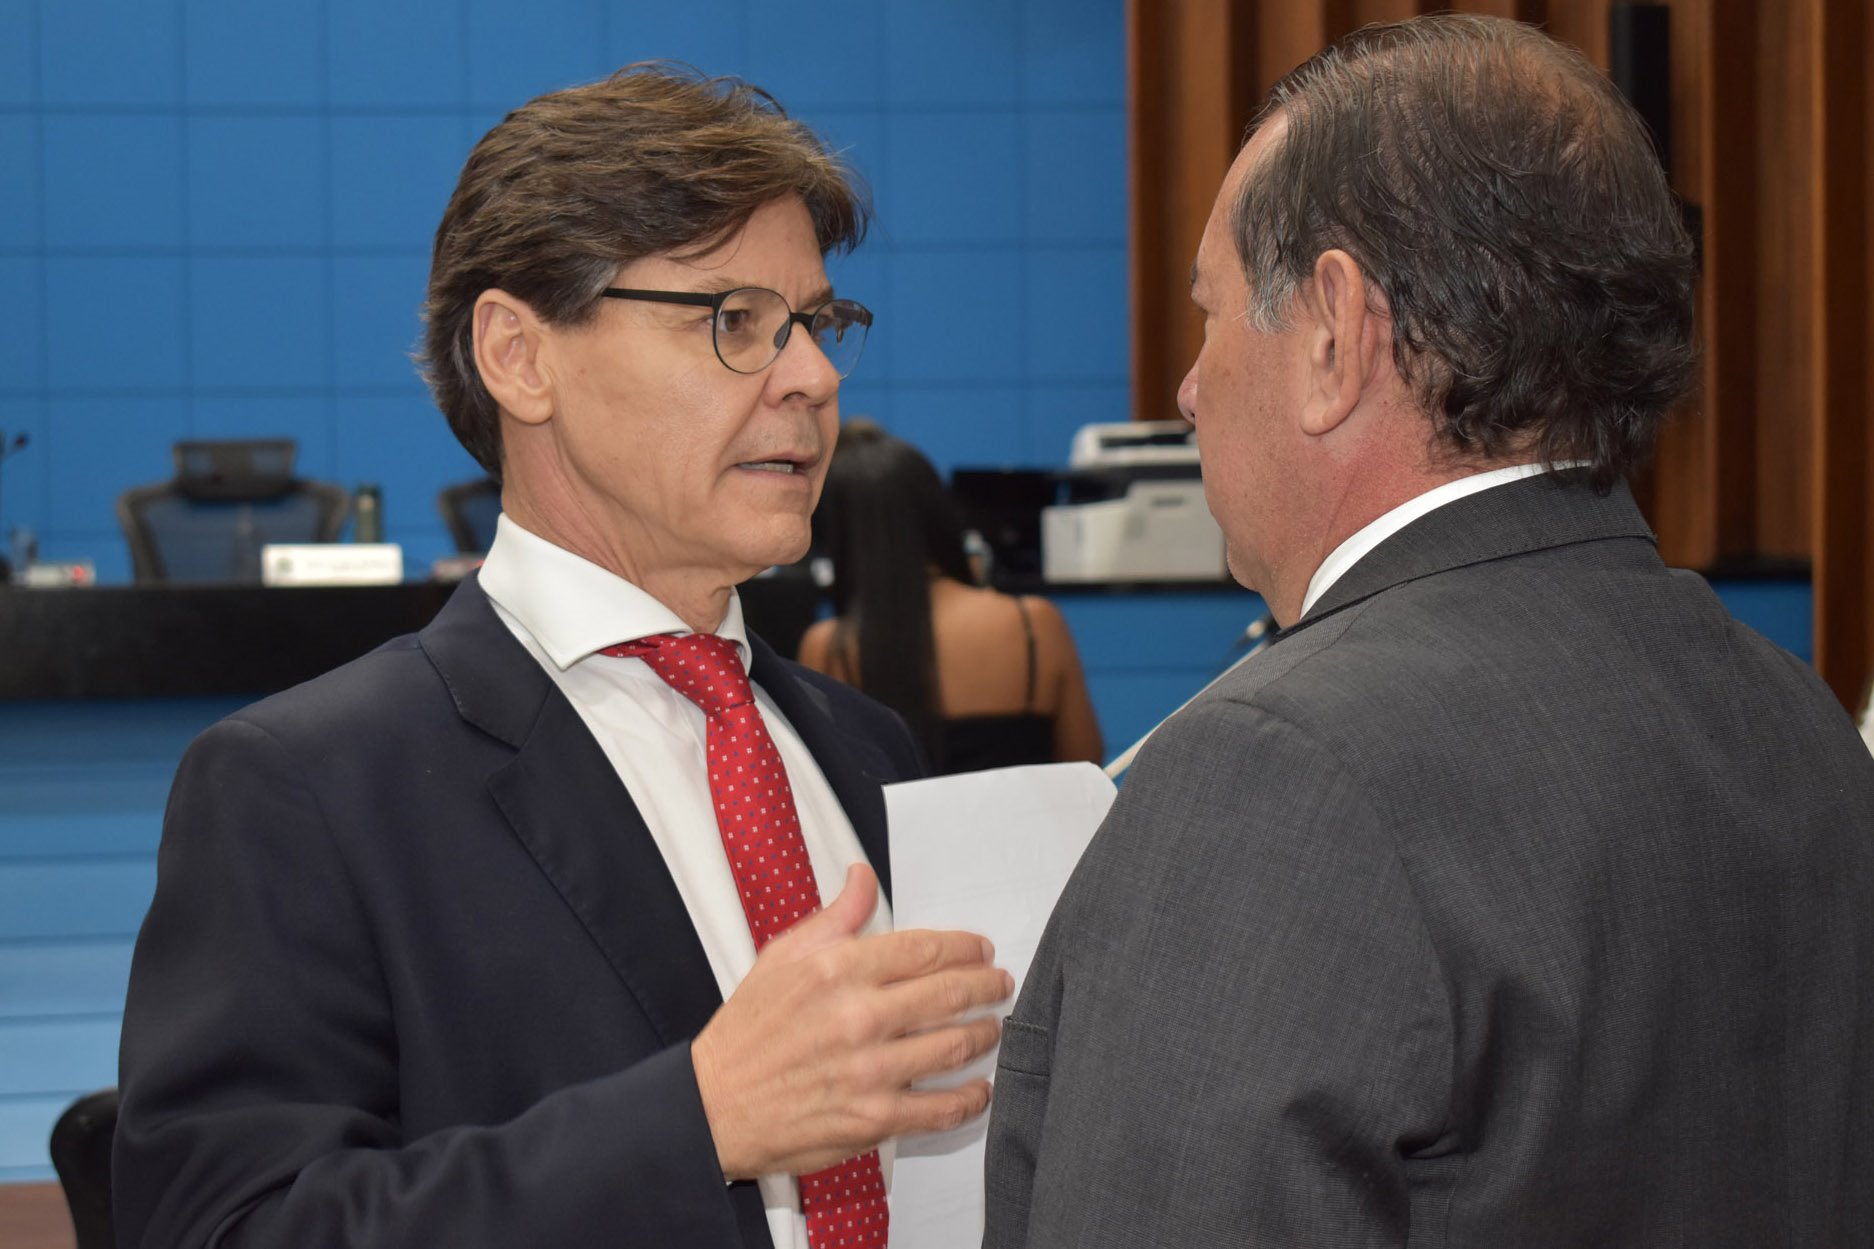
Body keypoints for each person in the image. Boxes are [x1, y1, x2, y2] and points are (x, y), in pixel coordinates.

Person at [983, 15, 1874, 1247]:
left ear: (1333, 333)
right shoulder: (1794, 717)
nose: (1186, 388)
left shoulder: (1279, 773)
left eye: (1209, 312)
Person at [113, 64, 1015, 1249]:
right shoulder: (305, 788)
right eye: (733, 320)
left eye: (817, 323)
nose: (814, 376)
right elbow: (230, 1228)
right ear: (519, 356)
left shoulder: (864, 742)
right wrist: (698, 1120)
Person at [798, 419, 1102, 774]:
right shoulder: (1034, 623)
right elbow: (1086, 766)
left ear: (837, 534)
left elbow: (826, 788)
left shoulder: (829, 649)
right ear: (937, 509)